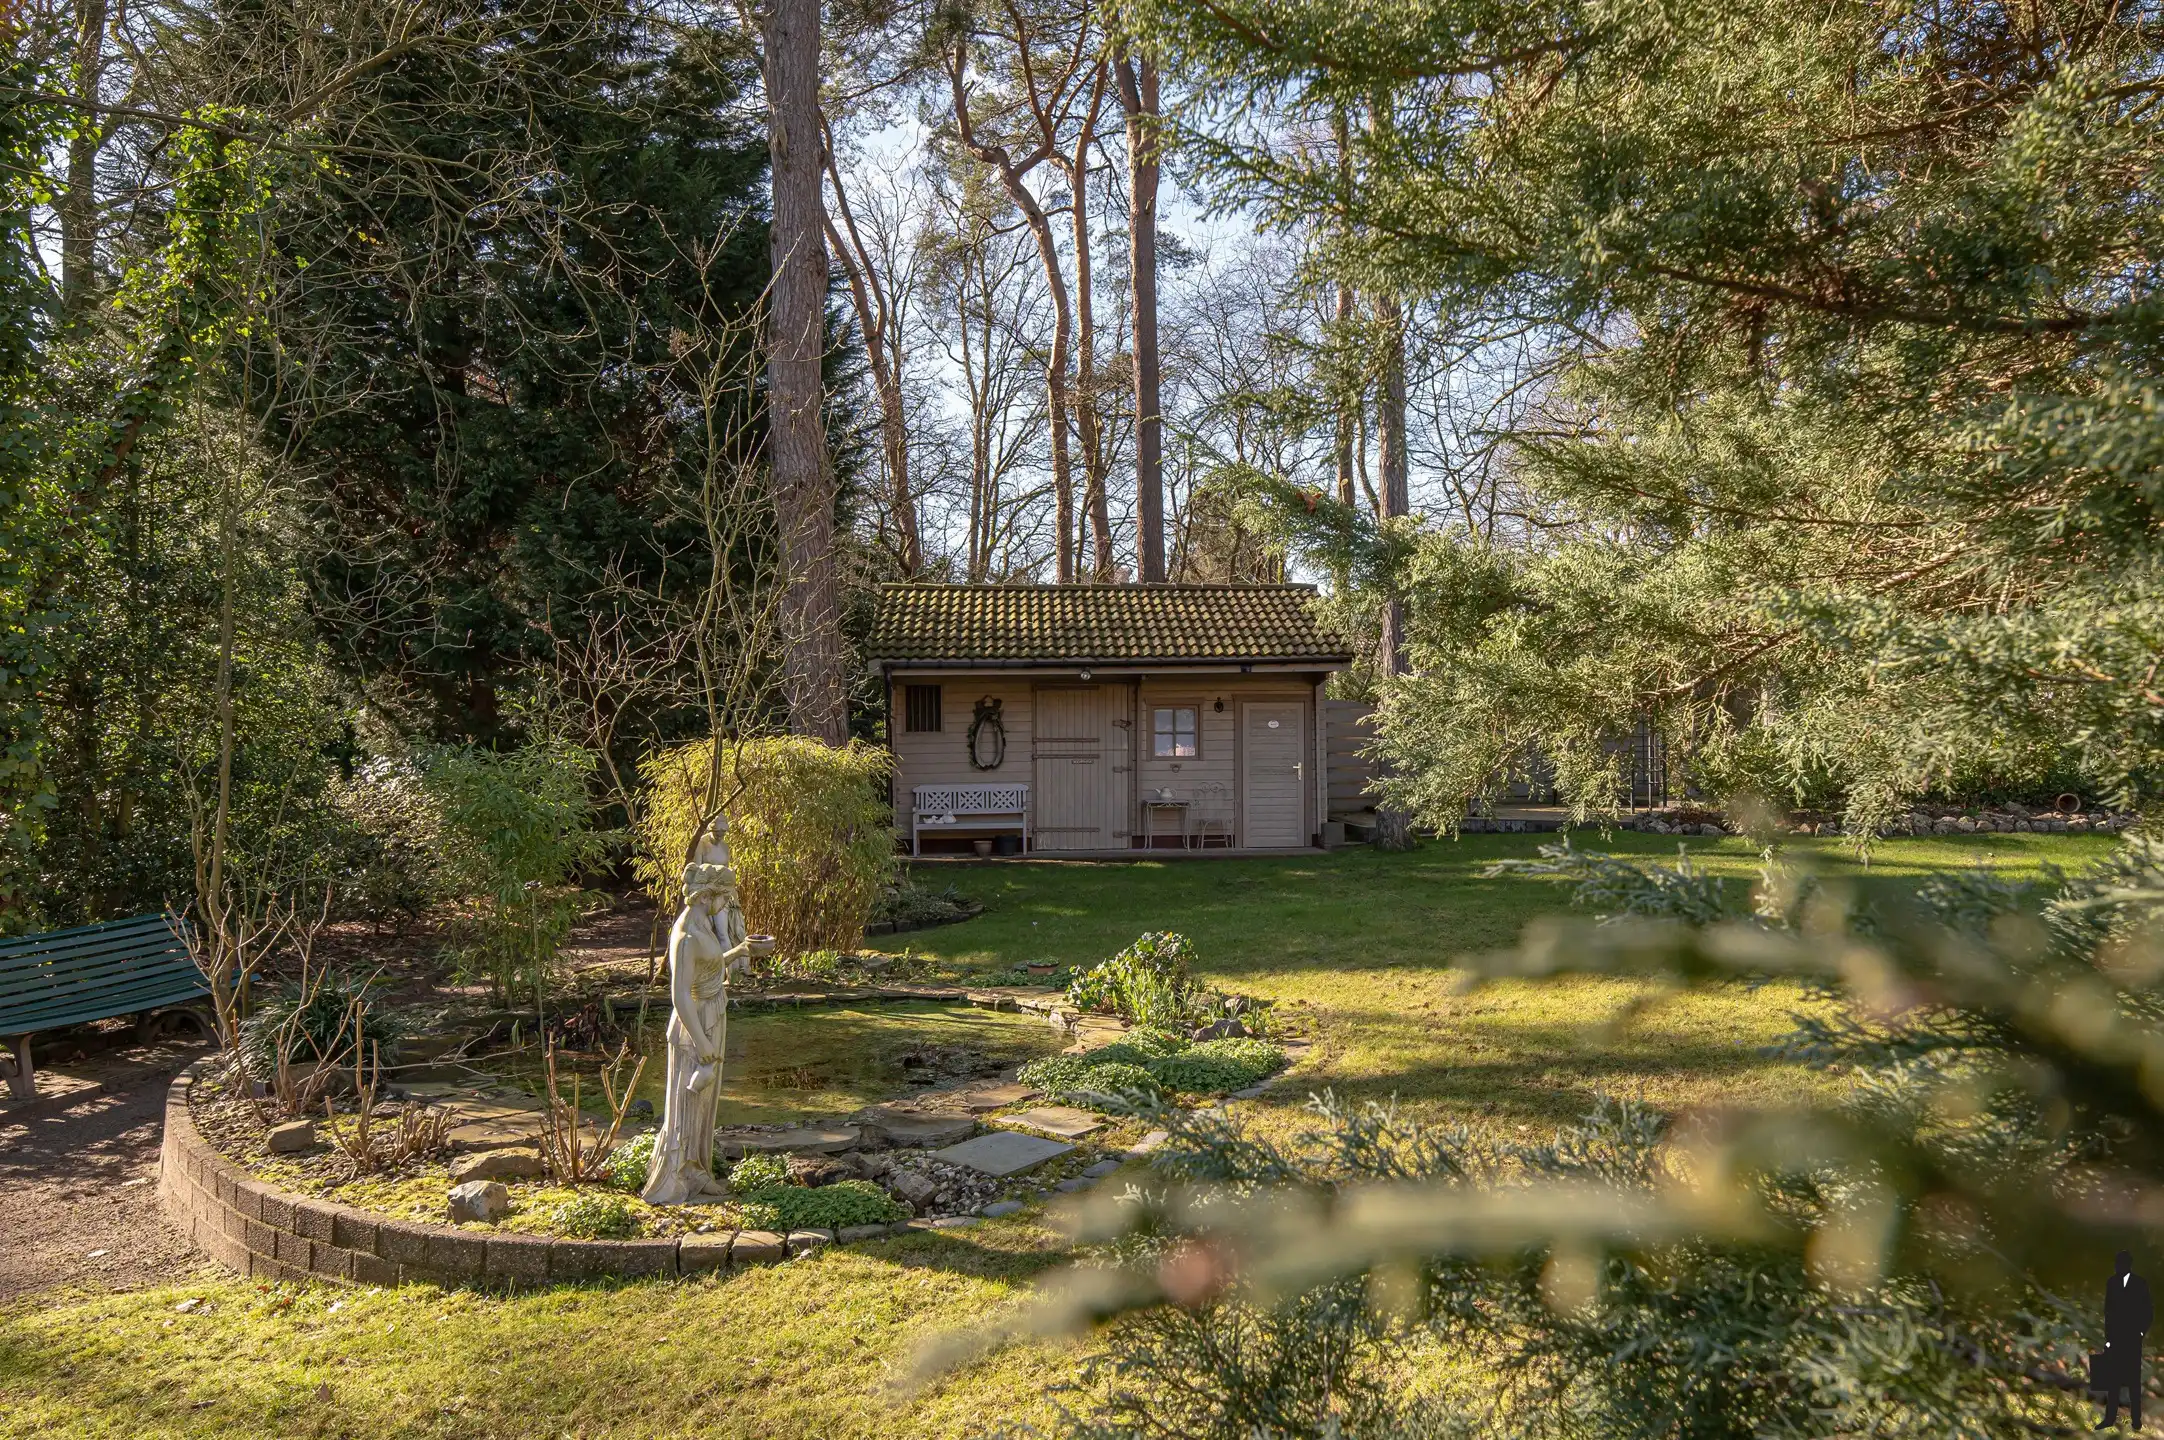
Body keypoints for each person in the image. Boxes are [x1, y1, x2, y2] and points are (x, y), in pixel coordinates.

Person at [642, 817, 765, 1205]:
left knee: (704, 1105)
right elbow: (680, 996)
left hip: (713, 1013)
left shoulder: (704, 927)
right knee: (686, 1100)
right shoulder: (686, 936)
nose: (726, 905)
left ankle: (697, 1168)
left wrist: (739, 952)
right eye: (723, 899)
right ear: (707, 896)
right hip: (695, 1024)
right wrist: (702, 1044)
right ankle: (675, 1176)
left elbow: (711, 968)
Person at [2100, 1250, 2153, 1431]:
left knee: (2133, 1381)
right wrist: (2108, 1339)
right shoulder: (2112, 1283)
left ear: (2128, 1265)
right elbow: (2108, 1312)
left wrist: (2139, 1333)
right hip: (2115, 1339)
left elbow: (2148, 1312)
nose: (2118, 1267)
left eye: (2121, 1263)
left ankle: (2136, 1421)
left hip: (2132, 1339)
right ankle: (2109, 1418)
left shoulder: (2140, 1284)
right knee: (2113, 1381)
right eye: (2117, 1263)